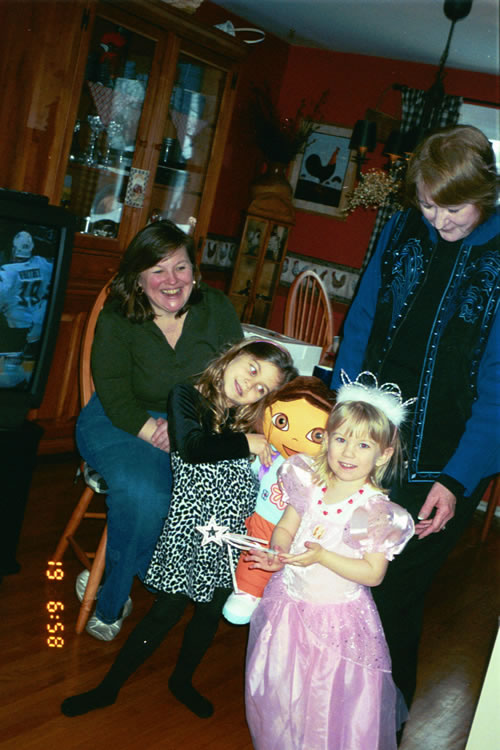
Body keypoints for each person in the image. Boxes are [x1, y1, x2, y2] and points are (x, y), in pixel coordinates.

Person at [330, 124, 500, 712]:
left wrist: (457, 479)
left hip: (445, 460)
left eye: (453, 208)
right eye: (428, 204)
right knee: (341, 579)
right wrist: (342, 415)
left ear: (486, 195)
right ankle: (329, 710)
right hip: (368, 441)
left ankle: (383, 721)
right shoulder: (401, 227)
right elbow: (361, 321)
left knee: (395, 593)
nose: (438, 220)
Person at [61, 337, 297, 720]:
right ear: (235, 355)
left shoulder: (244, 420)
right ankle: (108, 688)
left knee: (208, 614)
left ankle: (182, 680)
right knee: (164, 613)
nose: (250, 386)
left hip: (227, 537)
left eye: (261, 389)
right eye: (252, 370)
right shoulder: (186, 397)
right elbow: (193, 447)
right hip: (188, 532)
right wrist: (248, 443)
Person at [75, 219, 244, 641]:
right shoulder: (118, 316)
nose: (172, 281)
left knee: (227, 488)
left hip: (194, 420)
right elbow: (113, 392)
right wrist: (155, 430)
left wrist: (190, 425)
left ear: (194, 272)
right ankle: (114, 600)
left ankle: (128, 571)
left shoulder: (216, 308)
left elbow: (233, 378)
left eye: (181, 267)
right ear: (138, 277)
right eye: (158, 270)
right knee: (145, 492)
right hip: (121, 419)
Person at [245, 371, 415, 750]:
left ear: (384, 454)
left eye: (363, 445)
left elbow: (372, 573)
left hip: (337, 621)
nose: (348, 453)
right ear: (326, 439)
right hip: (289, 607)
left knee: (324, 699)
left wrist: (322, 556)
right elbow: (286, 526)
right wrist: (278, 554)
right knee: (282, 689)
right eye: (340, 439)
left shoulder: (373, 510)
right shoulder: (307, 481)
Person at [223, 375, 336, 624]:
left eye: (317, 435)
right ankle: (248, 592)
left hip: (301, 533)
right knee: (256, 558)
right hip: (262, 523)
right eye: (282, 422)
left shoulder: (322, 470)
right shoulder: (268, 454)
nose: (294, 439)